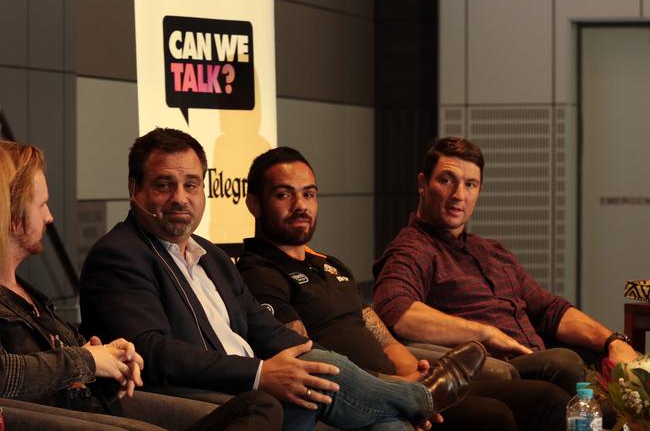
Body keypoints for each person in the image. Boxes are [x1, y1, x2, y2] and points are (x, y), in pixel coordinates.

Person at [80, 127, 487, 431]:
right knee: (321, 385)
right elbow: (152, 351)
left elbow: (264, 326)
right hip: (211, 397)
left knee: (380, 419)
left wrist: (309, 361)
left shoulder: (213, 257)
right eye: (164, 185)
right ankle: (421, 396)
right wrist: (261, 374)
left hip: (254, 384)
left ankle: (408, 403)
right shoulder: (119, 254)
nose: (180, 198)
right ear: (134, 189)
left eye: (191, 185)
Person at [237, 146, 571, 431]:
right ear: (254, 205)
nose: (301, 205)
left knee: (547, 398)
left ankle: (423, 393)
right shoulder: (259, 272)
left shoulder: (330, 264)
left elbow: (372, 323)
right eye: (284, 194)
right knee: (494, 416)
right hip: (360, 395)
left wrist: (411, 369)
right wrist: (391, 384)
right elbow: (304, 355)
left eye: (309, 193)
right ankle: (420, 399)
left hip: (396, 380)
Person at [0, 139, 284, 431]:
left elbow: (82, 352)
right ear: (10, 213)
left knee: (262, 406)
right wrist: (87, 359)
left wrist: (114, 353)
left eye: (192, 185)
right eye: (42, 204)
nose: (50, 217)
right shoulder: (119, 253)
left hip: (95, 402)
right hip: (64, 415)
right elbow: (7, 372)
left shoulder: (30, 294)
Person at [372, 136, 638, 396]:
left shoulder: (491, 251)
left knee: (632, 372)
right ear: (423, 184)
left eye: (470, 184)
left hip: (539, 359)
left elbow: (549, 309)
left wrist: (612, 341)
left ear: (480, 190)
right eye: (446, 180)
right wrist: (485, 333)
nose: (458, 195)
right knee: (564, 363)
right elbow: (396, 311)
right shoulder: (412, 249)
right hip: (498, 372)